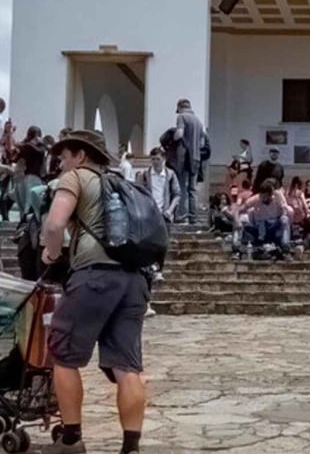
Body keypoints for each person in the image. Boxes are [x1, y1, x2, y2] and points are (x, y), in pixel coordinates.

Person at [40, 130, 153, 454]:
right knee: (127, 366)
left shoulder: (76, 178)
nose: (61, 164)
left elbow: (54, 224)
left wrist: (52, 254)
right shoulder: (120, 184)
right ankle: (131, 447)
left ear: (81, 155)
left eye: (64, 157)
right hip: (134, 280)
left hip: (94, 277)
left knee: (63, 355)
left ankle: (71, 439)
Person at [170, 100, 205, 226]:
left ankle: (181, 215)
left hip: (184, 157)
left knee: (182, 186)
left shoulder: (182, 117)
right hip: (196, 158)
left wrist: (173, 138)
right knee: (192, 189)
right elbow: (202, 143)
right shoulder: (198, 121)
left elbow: (179, 134)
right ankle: (193, 217)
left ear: (180, 107)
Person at [132, 147, 180, 221]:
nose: (155, 162)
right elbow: (137, 193)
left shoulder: (170, 174)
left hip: (165, 214)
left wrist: (170, 210)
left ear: (163, 159)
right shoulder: (144, 174)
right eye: (153, 159)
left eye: (158, 159)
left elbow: (177, 194)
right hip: (148, 214)